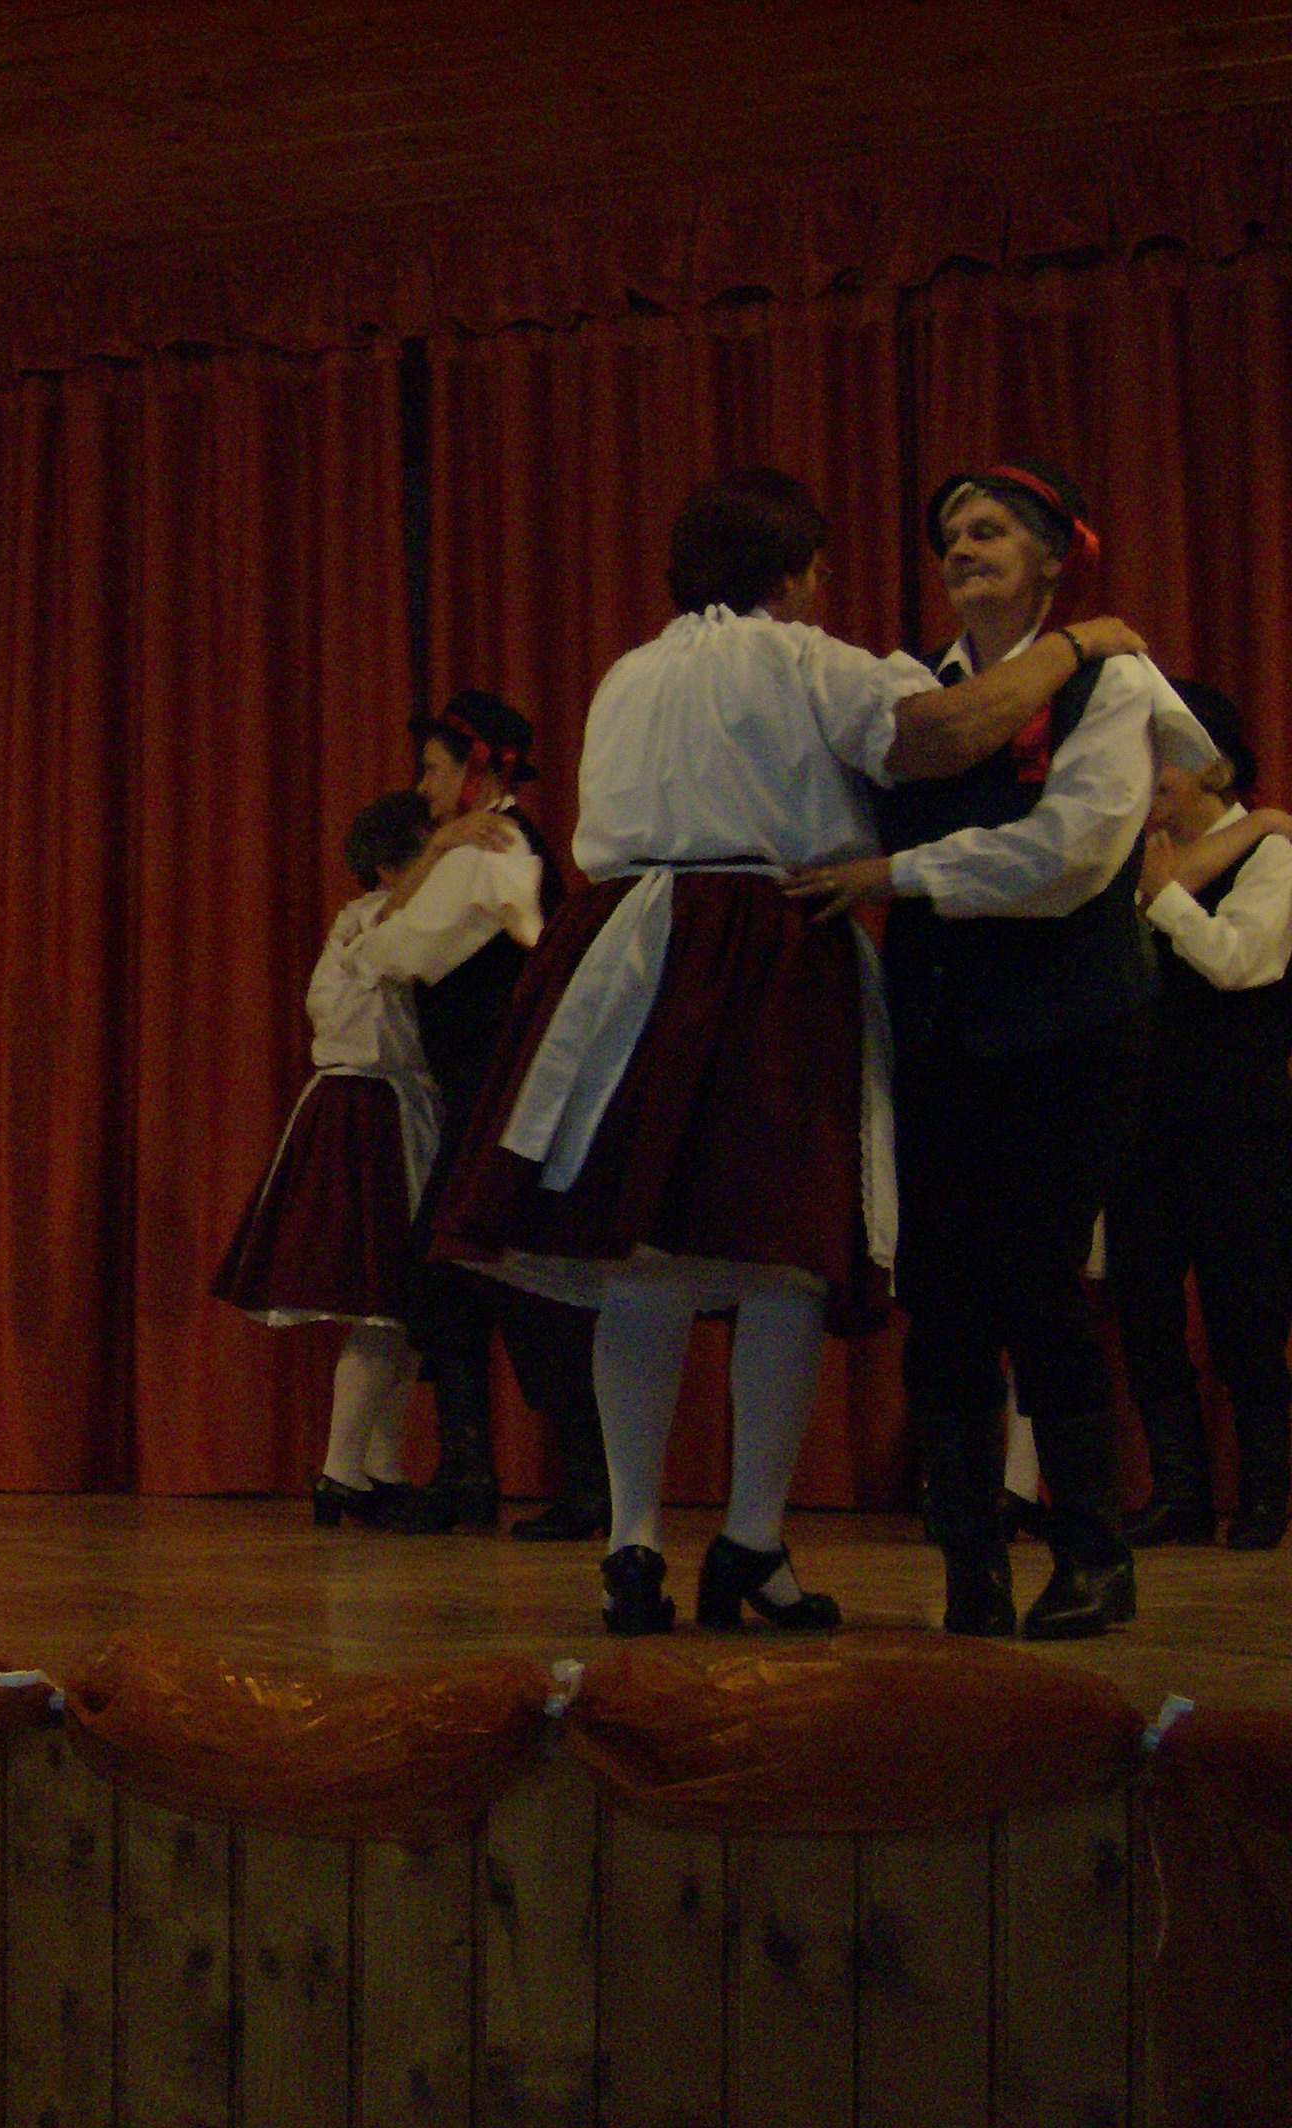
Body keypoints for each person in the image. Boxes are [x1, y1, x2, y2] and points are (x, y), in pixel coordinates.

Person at [436, 467, 1152, 1635]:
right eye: (818, 567)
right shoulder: (809, 661)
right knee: (784, 1256)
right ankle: (752, 1538)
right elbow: (940, 735)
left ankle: (632, 1542)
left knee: (642, 1251)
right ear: (793, 569)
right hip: (765, 946)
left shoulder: (628, 671)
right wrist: (1079, 642)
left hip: (623, 949)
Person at [785, 458, 1209, 1638]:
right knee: (939, 1295)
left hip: (1072, 1020)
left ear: (1053, 555)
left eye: (990, 530)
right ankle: (969, 1564)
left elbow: (1070, 852)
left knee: (1035, 1277)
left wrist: (895, 873)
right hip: (937, 1022)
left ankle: (1092, 1555)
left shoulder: (1113, 681)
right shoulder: (916, 693)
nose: (963, 550)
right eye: (950, 537)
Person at [356, 691, 609, 1541]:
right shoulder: (475, 847)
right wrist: (436, 848)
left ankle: (562, 1481)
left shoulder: (492, 849)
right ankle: (482, 1473)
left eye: (434, 770)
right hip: (491, 1099)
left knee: (506, 1279)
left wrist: (435, 851)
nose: (424, 789)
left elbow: (387, 948)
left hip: (505, 1101)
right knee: (468, 1277)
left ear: (475, 772)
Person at [213, 788, 443, 1528]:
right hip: (365, 1111)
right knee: (385, 1303)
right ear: (391, 867)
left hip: (386, 1107)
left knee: (404, 1308)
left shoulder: (379, 921)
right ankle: (343, 1472)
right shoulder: (375, 921)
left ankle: (378, 1466)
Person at [1107, 681, 1292, 1552]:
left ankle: (1264, 1494)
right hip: (1143, 1119)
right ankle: (1179, 1491)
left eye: (1165, 758)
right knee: (1143, 1307)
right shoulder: (1136, 855)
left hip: (1239, 1122)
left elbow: (1238, 961)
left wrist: (1166, 896)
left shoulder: (1274, 857)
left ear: (1216, 768)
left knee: (1245, 1315)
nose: (1148, 777)